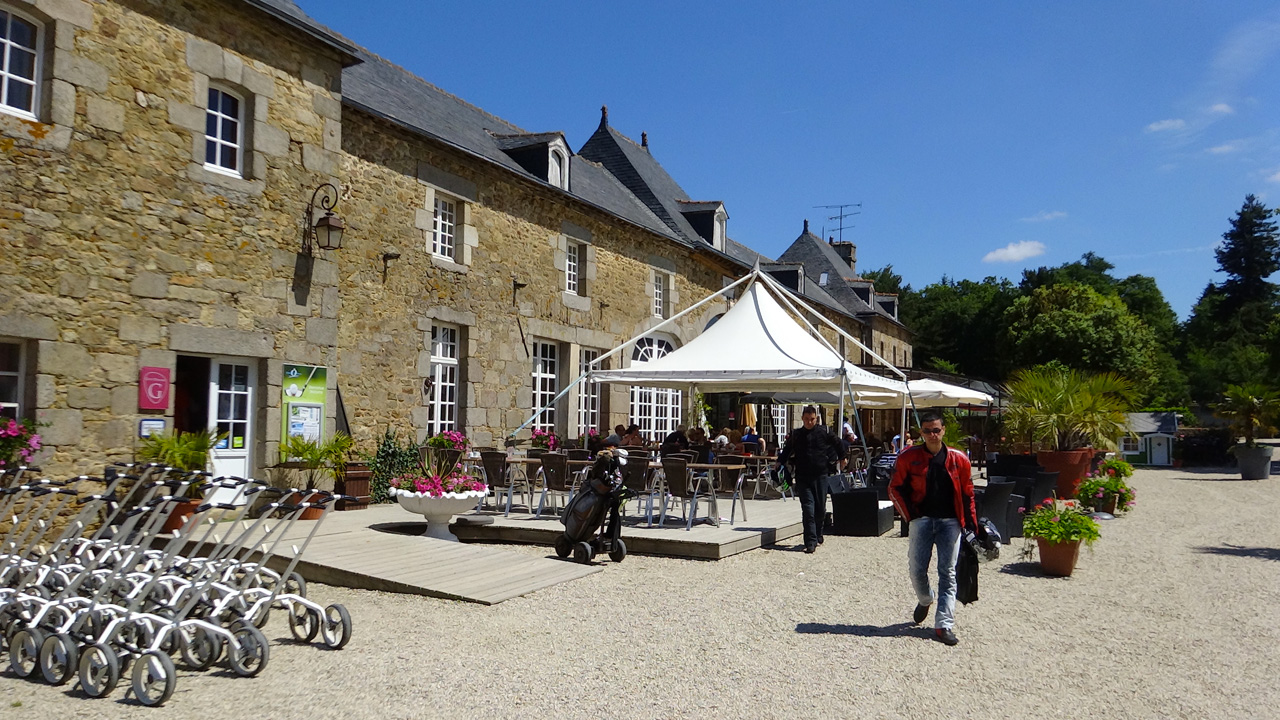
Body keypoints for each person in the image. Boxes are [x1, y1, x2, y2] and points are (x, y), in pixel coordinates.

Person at [887, 412, 980, 647]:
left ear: (943, 430)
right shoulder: (909, 457)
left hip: (950, 522)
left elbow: (968, 493)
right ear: (921, 433)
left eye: (936, 430)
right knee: (917, 570)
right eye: (927, 431)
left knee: (947, 572)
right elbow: (895, 488)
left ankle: (944, 624)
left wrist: (971, 525)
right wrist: (911, 517)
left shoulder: (959, 459)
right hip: (922, 520)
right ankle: (926, 598)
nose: (932, 435)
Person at [775, 406, 842, 553]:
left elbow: (838, 443)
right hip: (803, 477)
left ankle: (818, 533)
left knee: (820, 509)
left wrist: (842, 458)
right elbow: (787, 450)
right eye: (806, 419)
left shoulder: (824, 432)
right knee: (808, 509)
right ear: (802, 419)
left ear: (816, 419)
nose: (809, 422)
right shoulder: (797, 435)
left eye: (811, 419)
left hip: (821, 476)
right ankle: (810, 541)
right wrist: (780, 461)